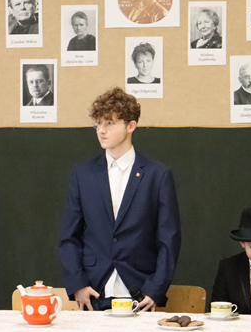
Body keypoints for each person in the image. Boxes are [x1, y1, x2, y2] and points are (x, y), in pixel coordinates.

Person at [59, 87, 181, 311]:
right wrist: (78, 284)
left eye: (109, 123)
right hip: (93, 290)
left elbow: (168, 239)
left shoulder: (158, 175)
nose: (101, 130)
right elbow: (69, 236)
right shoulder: (82, 174)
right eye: (98, 124)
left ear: (131, 126)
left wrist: (155, 289)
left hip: (140, 290)